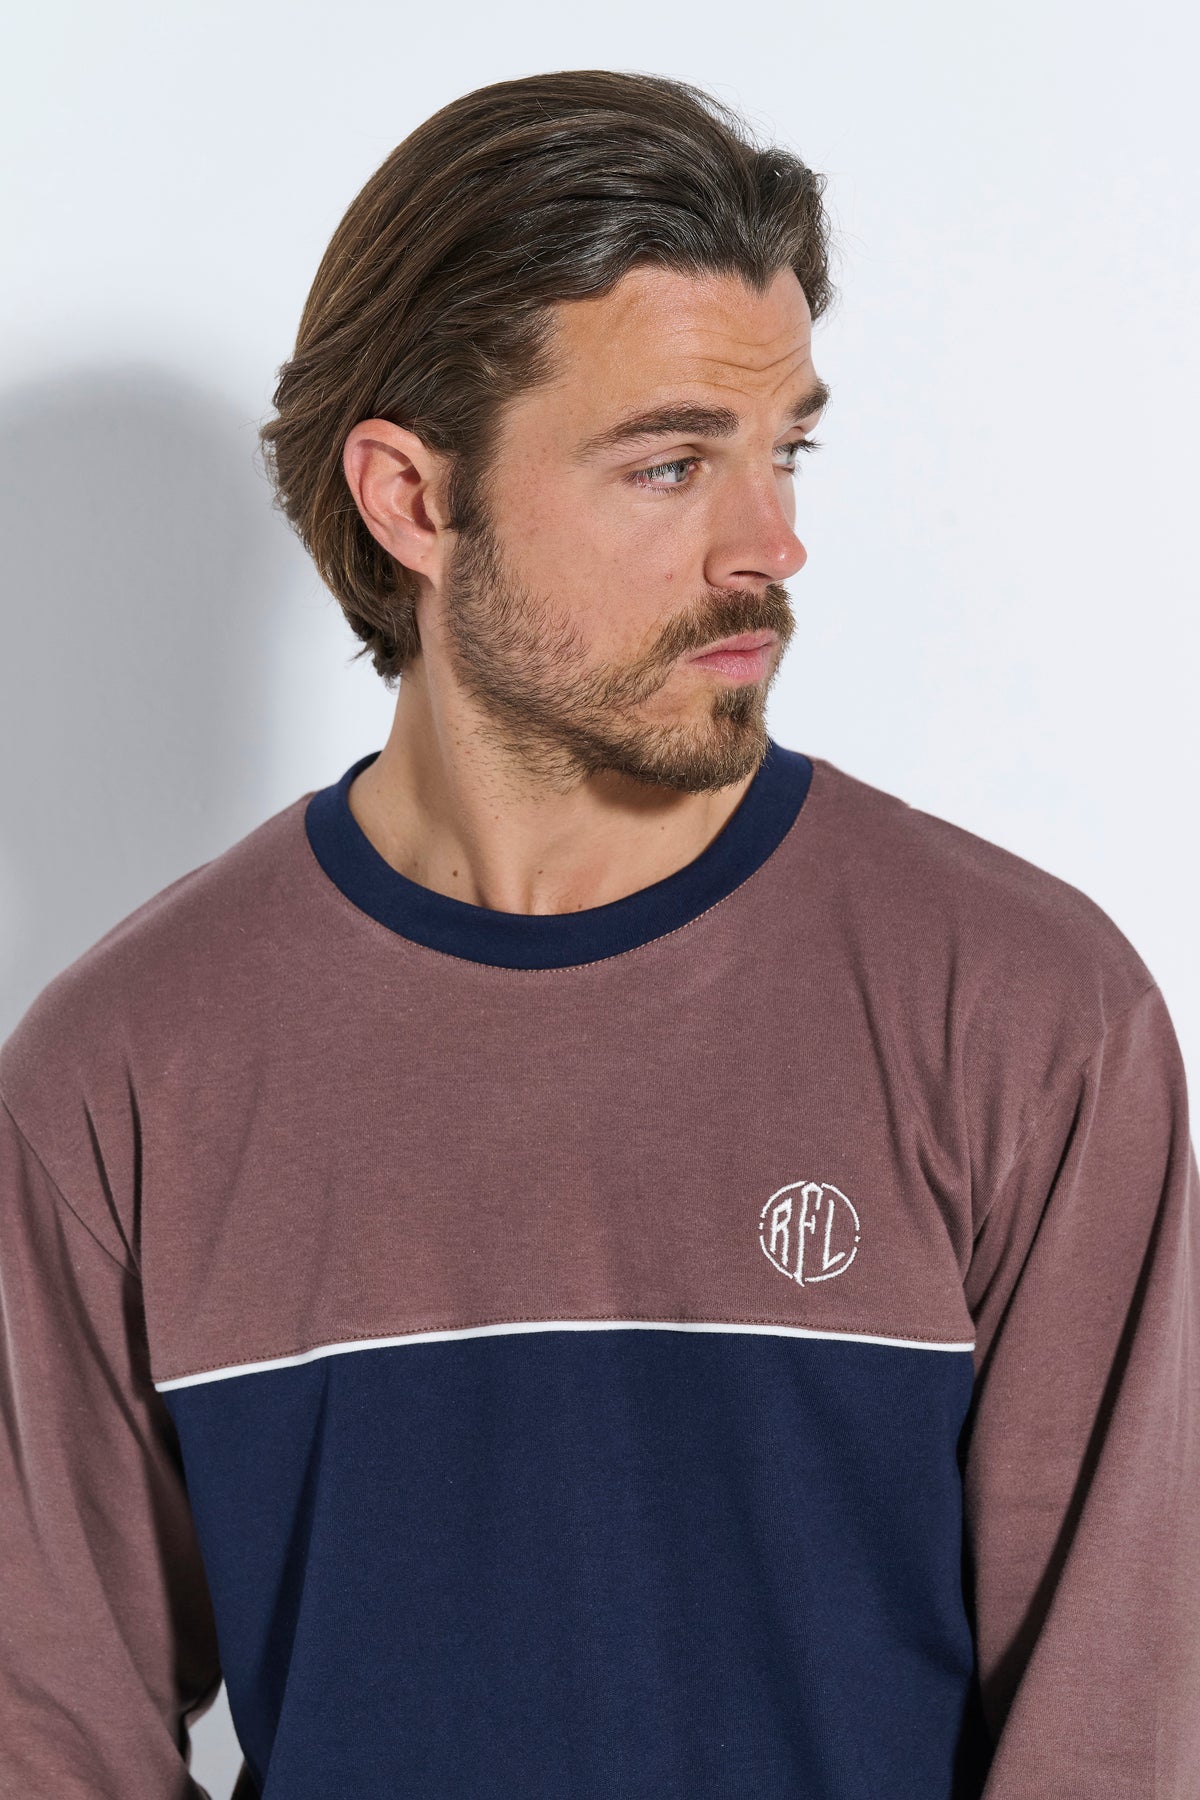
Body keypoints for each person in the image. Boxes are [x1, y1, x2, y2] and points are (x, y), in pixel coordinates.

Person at [0, 68, 1195, 1800]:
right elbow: (52, 1737)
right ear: (413, 501)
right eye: (671, 463)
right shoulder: (122, 1075)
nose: (772, 543)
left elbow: (1115, 1737)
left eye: (785, 450)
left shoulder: (1025, 1015)